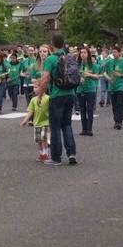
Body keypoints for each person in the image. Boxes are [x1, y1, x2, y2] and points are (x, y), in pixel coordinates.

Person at [38, 33, 77, 166]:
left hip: (57, 94)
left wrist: (40, 95)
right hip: (70, 92)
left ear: (52, 44)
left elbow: (45, 79)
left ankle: (56, 157)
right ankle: (71, 153)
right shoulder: (69, 57)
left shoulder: (51, 59)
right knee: (67, 124)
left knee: (55, 126)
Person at [20, 84, 50, 162]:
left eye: (36, 87)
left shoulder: (48, 98)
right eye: (34, 87)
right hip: (37, 123)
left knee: (44, 139)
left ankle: (46, 154)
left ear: (43, 88)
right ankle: (41, 154)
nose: (34, 89)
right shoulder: (33, 100)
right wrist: (25, 120)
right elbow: (31, 111)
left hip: (46, 122)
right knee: (38, 140)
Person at [104, 46, 123, 129]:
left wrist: (121, 75)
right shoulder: (109, 62)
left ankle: (119, 122)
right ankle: (116, 120)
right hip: (112, 86)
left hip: (121, 86)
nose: (114, 54)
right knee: (114, 105)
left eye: (115, 52)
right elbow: (104, 73)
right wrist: (109, 78)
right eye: (113, 52)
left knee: (119, 104)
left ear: (119, 53)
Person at [76, 47, 100, 135]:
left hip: (90, 89)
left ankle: (89, 129)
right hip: (80, 90)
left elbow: (97, 76)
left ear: (88, 54)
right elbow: (73, 76)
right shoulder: (77, 65)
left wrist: (89, 75)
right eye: (81, 53)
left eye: (84, 52)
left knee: (89, 109)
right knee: (82, 109)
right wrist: (79, 79)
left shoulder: (93, 65)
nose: (82, 54)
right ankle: (84, 129)